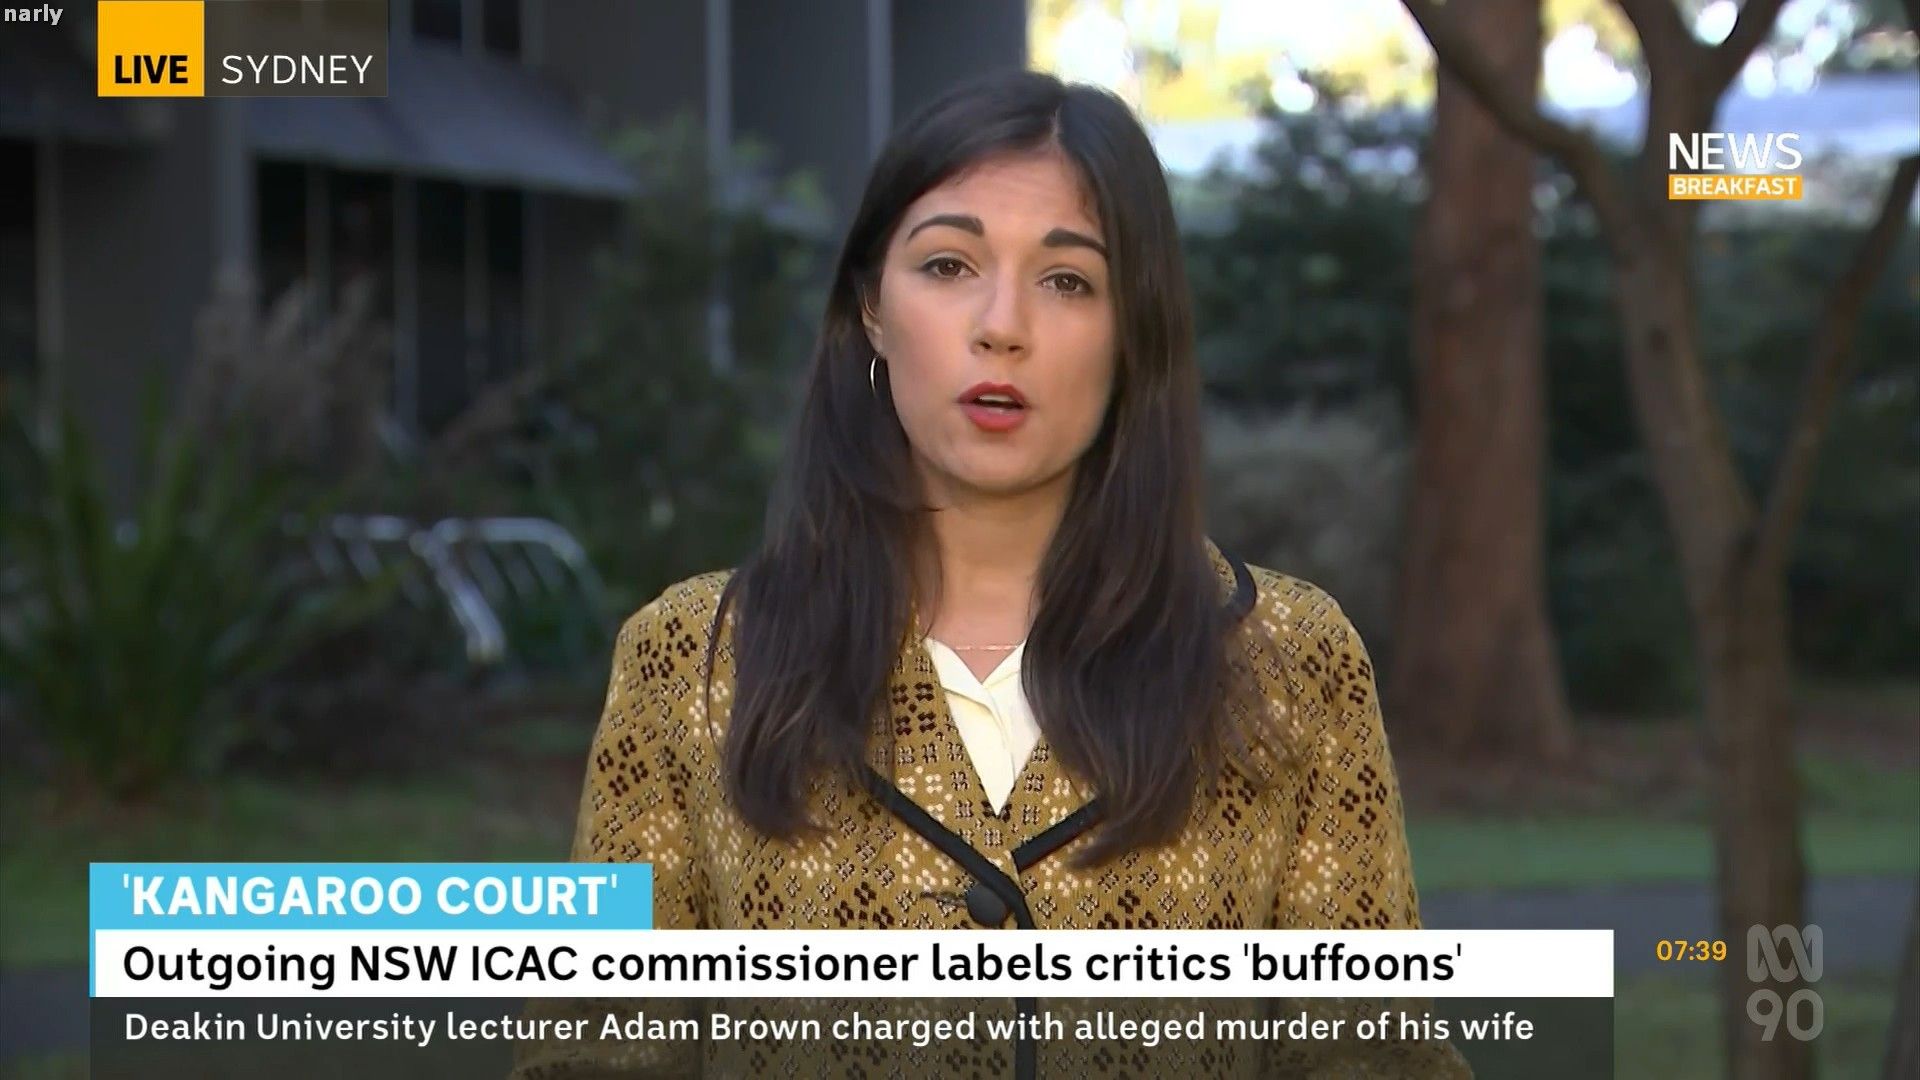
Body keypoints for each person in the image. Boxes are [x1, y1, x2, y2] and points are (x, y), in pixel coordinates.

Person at [513, 70, 1469, 1079]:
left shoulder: (1288, 661)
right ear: (871, 308)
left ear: (1133, 332)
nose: (1002, 324)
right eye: (948, 265)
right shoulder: (692, 659)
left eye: (1068, 281)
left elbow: (1375, 1058)